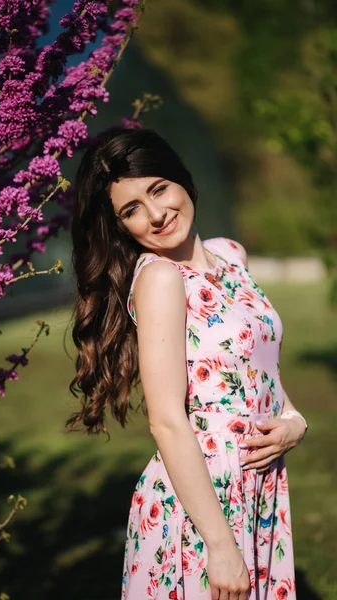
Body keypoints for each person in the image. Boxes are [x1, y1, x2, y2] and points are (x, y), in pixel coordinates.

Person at [67, 126, 307, 600]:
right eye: (132, 210)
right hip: (203, 499)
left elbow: (259, 367)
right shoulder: (160, 278)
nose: (156, 215)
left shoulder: (229, 254)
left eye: (158, 189)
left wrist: (294, 421)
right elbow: (167, 422)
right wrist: (219, 545)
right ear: (121, 227)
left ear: (182, 180)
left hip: (257, 485)